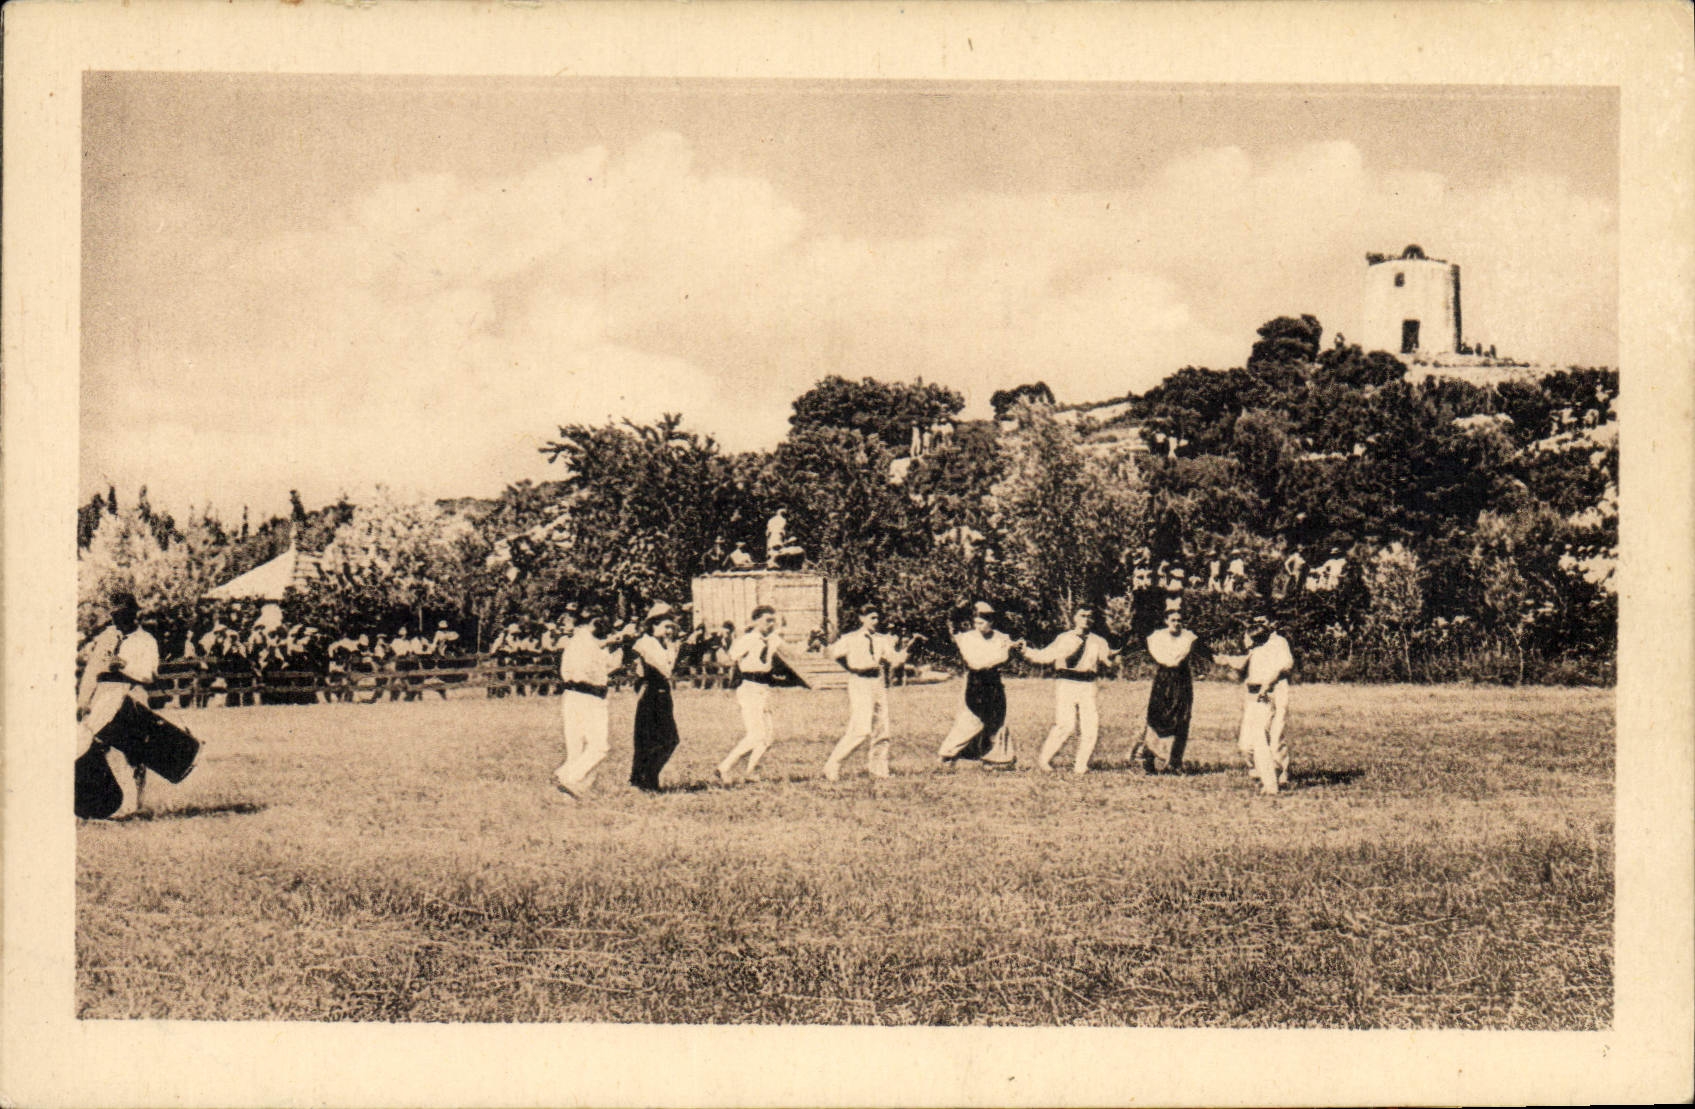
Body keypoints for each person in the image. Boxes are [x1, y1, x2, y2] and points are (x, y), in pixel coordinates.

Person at [76, 591, 161, 818]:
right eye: (114, 615)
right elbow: (92, 670)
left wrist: (124, 665)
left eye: (122, 615)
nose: (117, 620)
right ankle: (102, 802)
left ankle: (134, 805)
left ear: (134, 614)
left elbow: (150, 674)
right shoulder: (106, 638)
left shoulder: (146, 641)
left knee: (132, 752)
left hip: (132, 696)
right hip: (104, 697)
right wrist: (83, 699)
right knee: (94, 747)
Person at [822, 604, 915, 781]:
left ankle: (879, 769)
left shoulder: (881, 639)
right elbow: (830, 654)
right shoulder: (850, 639)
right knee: (861, 729)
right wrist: (822, 642)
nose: (875, 621)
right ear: (862, 618)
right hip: (859, 682)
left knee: (882, 728)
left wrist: (908, 648)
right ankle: (833, 764)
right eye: (871, 618)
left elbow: (894, 661)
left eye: (877, 618)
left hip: (878, 682)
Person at [1024, 605, 1117, 775]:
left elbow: (1108, 661)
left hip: (1088, 685)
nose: (1086, 619)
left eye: (1090, 616)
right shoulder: (1064, 638)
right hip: (1066, 683)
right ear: (1075, 618)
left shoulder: (1098, 641)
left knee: (1090, 726)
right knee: (1065, 725)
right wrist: (1025, 651)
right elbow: (1045, 655)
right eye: (1082, 615)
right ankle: (1044, 760)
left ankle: (1081, 765)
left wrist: (1115, 656)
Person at [554, 611, 631, 799]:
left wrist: (614, 647)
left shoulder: (581, 642)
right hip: (589, 697)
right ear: (593, 622)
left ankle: (568, 796)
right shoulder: (585, 641)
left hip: (573, 696)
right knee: (598, 747)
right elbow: (593, 662)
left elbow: (606, 667)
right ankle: (566, 777)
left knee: (576, 750)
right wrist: (612, 642)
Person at [936, 601, 1022, 769]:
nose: (978, 626)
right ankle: (947, 755)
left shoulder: (1001, 638)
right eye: (976, 622)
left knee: (997, 720)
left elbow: (1007, 653)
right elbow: (975, 662)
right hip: (976, 683)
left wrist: (1014, 648)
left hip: (994, 682)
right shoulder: (968, 638)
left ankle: (997, 760)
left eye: (982, 622)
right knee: (972, 719)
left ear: (991, 622)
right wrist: (958, 609)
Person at [1216, 615, 1295, 795]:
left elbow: (1281, 668)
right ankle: (1263, 772)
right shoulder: (1255, 652)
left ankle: (1271, 784)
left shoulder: (1275, 645)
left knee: (1262, 739)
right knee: (1245, 744)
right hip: (1253, 698)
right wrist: (1220, 659)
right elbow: (1239, 665)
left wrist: (1265, 691)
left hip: (1264, 697)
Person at [1136, 599, 1214, 773]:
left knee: (1182, 718)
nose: (1177, 624)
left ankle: (1175, 762)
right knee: (1157, 717)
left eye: (1180, 620)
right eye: (1173, 620)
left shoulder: (1188, 637)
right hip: (1163, 679)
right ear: (1166, 621)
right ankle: (1148, 757)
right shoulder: (1156, 637)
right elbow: (1165, 659)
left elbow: (1202, 654)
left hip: (1182, 680)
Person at [629, 603, 696, 792]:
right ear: (653, 625)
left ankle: (645, 779)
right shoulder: (645, 644)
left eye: (671, 627)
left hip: (663, 693)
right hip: (650, 693)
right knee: (659, 739)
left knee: (661, 739)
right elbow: (666, 669)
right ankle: (644, 779)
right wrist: (675, 649)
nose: (669, 631)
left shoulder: (662, 644)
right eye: (665, 626)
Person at [715, 605, 786, 784]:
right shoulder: (747, 639)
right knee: (756, 734)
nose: (771, 624)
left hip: (764, 688)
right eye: (767, 620)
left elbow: (795, 653)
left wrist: (811, 641)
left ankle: (750, 771)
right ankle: (724, 767)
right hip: (749, 687)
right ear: (755, 620)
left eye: (773, 621)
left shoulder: (773, 639)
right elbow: (728, 660)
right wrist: (716, 647)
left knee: (768, 737)